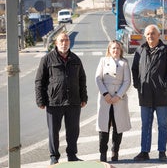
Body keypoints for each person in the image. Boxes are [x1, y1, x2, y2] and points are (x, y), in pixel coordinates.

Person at [35, 32, 88, 165]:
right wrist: (40, 100)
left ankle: (72, 155)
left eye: (67, 40)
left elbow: (82, 79)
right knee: (54, 131)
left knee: (73, 130)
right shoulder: (47, 59)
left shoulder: (76, 59)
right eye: (61, 41)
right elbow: (39, 81)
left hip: (74, 101)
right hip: (54, 102)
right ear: (56, 43)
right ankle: (54, 157)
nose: (64, 43)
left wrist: (84, 97)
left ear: (69, 42)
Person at [131, 24, 167, 162]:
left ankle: (162, 152)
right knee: (145, 124)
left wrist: (164, 85)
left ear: (158, 35)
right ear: (145, 36)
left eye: (153, 33)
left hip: (161, 95)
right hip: (145, 94)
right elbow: (135, 69)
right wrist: (137, 85)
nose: (150, 36)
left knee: (162, 125)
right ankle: (144, 151)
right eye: (147, 34)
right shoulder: (140, 50)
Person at [95, 40, 131, 162]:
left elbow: (127, 81)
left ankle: (115, 151)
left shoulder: (124, 63)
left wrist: (118, 96)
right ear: (109, 50)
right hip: (105, 98)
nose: (115, 50)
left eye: (118, 48)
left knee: (118, 127)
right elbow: (98, 78)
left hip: (119, 100)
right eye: (113, 48)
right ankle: (102, 153)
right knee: (103, 127)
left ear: (121, 50)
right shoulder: (103, 61)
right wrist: (105, 94)